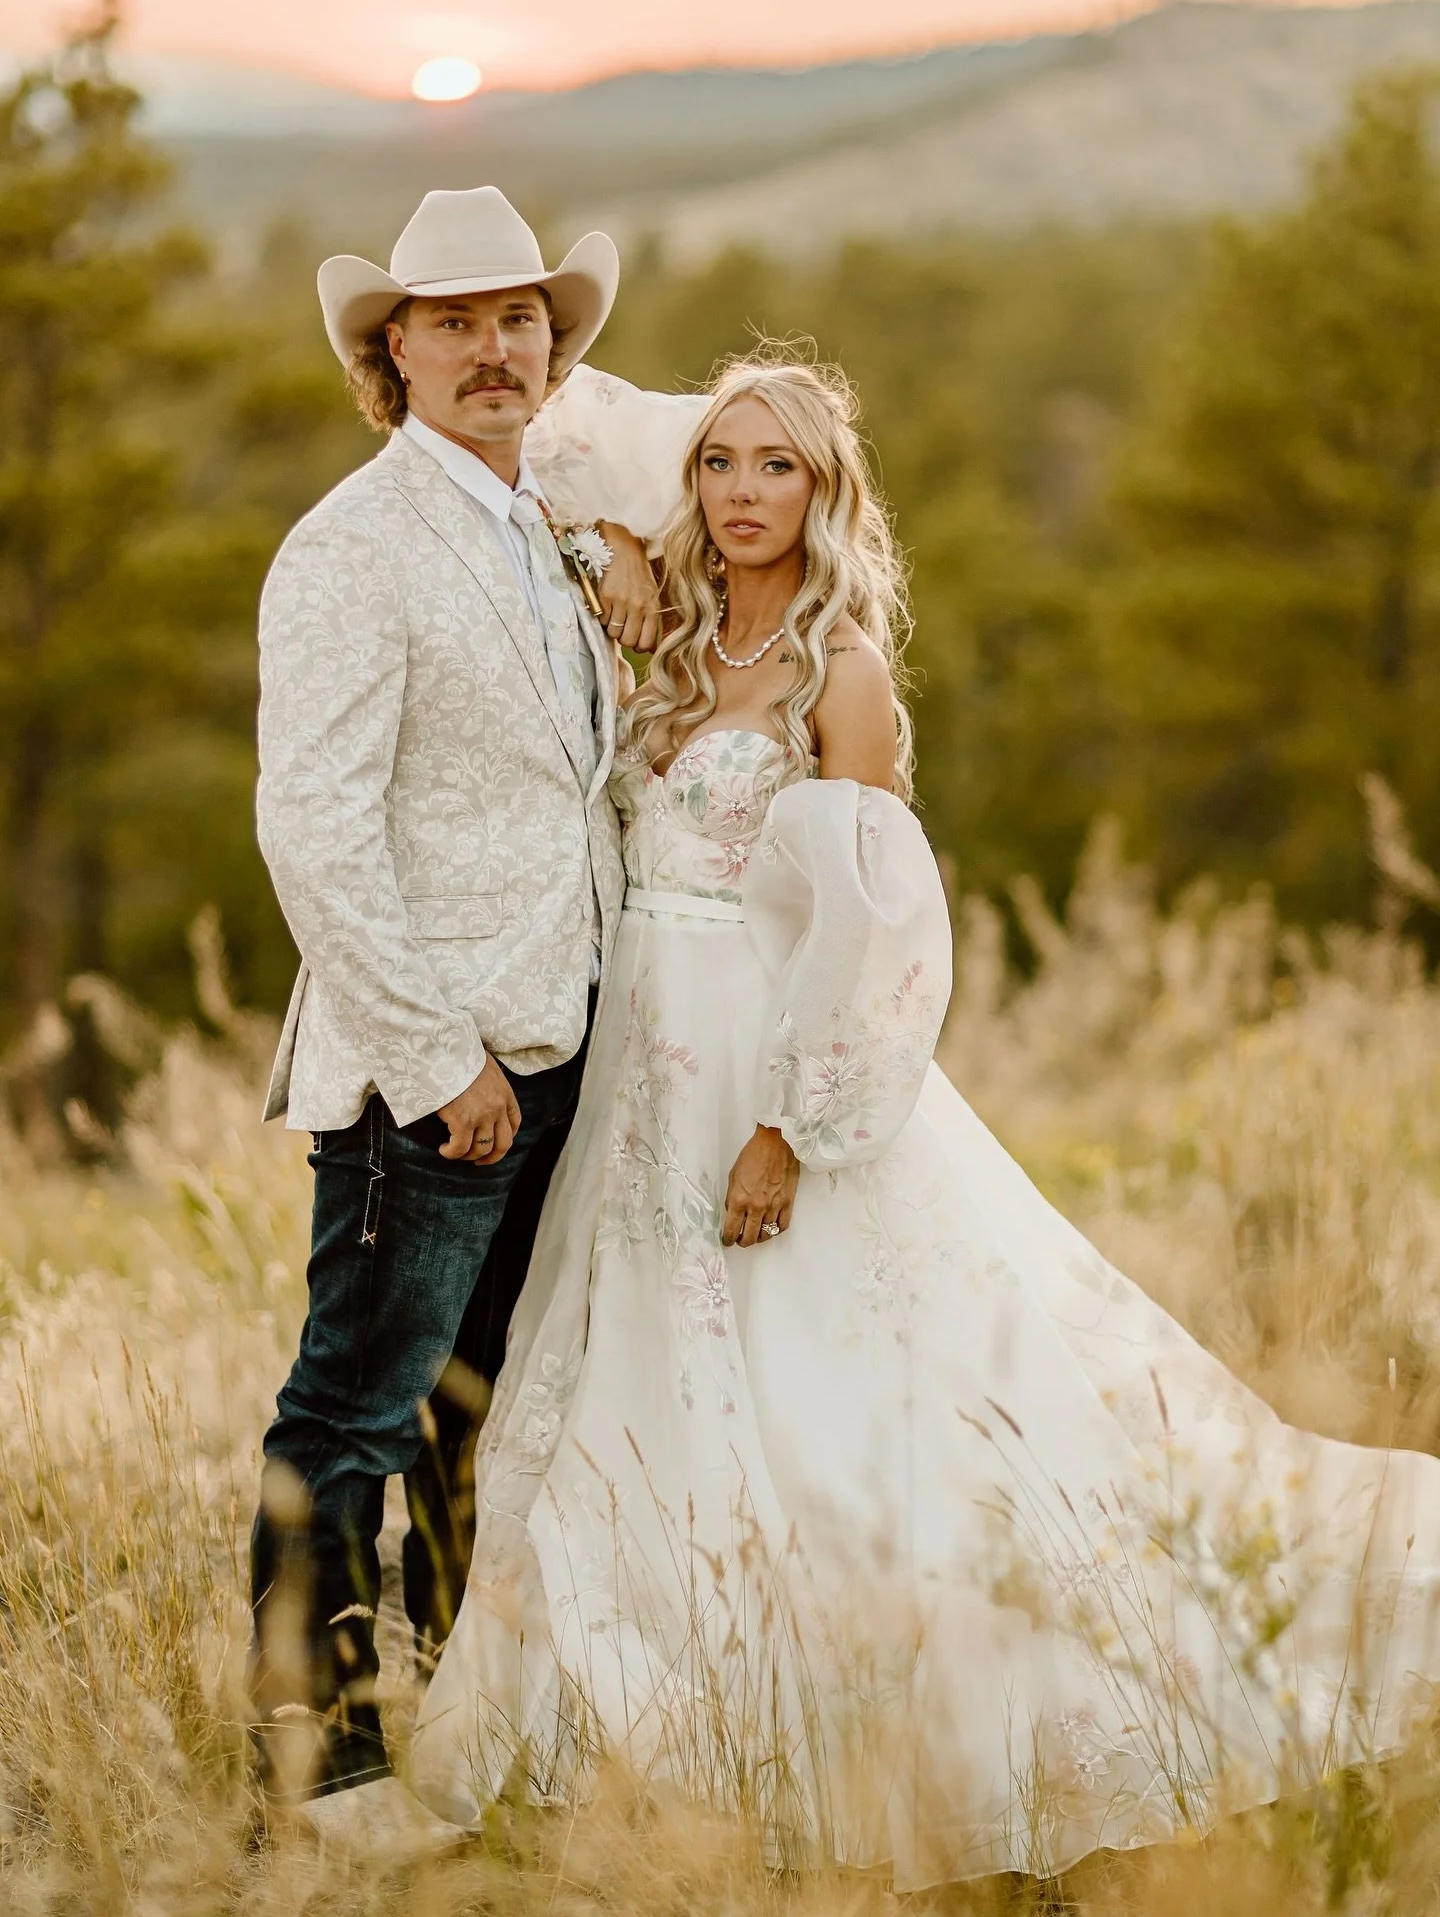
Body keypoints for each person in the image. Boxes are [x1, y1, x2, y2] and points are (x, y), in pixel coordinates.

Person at [408, 352, 1440, 1888]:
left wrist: (790, 1127)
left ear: (828, 494)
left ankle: (900, 1723)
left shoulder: (843, 670)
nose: (743, 495)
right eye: (718, 465)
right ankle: (664, 1744)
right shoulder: (671, 640)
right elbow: (535, 427)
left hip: (765, 1066)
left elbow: (881, 933)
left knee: (846, 1390)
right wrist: (617, 542)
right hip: (638, 1069)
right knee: (648, 1378)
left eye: (779, 469)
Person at [250, 184, 669, 1849]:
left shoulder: (537, 521)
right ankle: (324, 1767)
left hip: (562, 1057)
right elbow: (315, 825)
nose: (497, 351)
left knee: (486, 1411)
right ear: (392, 356)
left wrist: (627, 549)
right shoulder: (351, 547)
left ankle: (464, 1722)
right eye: (455, 324)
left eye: (521, 322)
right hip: (430, 1077)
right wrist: (441, 1065)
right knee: (353, 1407)